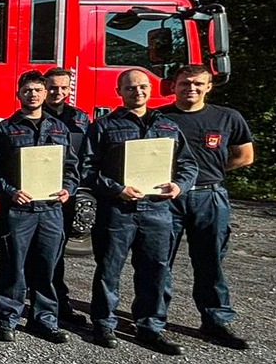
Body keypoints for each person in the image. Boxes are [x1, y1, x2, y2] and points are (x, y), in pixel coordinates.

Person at [79, 68, 198, 356]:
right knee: (109, 269)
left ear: (151, 89)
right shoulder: (104, 126)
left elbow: (189, 165)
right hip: (117, 210)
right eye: (130, 88)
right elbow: (86, 169)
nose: (138, 92)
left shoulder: (168, 126)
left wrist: (179, 186)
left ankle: (150, 327)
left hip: (157, 211)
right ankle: (104, 323)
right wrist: (116, 188)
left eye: (143, 87)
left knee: (155, 270)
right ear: (120, 92)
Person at [0, 70, 79, 343]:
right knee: (13, 266)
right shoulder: (4, 129)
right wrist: (10, 192)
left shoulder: (59, 130)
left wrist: (67, 189)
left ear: (46, 93)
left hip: (50, 210)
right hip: (18, 210)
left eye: (37, 90)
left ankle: (44, 320)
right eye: (27, 90)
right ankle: (7, 319)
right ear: (18, 94)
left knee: (47, 267)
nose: (32, 94)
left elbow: (71, 167)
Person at [160, 65, 254, 350]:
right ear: (173, 85)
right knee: (159, 260)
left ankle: (216, 320)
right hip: (168, 198)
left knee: (210, 261)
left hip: (209, 196)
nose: (191, 88)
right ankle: (153, 318)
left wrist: (210, 173)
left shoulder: (227, 117)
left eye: (198, 83)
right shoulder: (161, 118)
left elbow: (245, 156)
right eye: (185, 83)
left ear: (209, 86)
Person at [41, 66, 92, 324]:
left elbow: (86, 158)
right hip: (35, 196)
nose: (57, 92)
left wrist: (72, 187)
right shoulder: (35, 116)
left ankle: (59, 302)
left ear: (70, 88)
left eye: (63, 87)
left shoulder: (81, 119)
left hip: (63, 195)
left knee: (57, 252)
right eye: (52, 87)